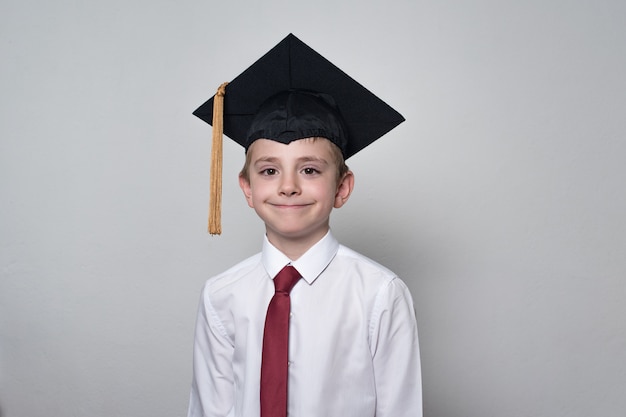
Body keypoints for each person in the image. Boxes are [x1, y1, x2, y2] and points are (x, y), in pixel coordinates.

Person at [187, 33, 422, 417]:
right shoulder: (220, 295)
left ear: (342, 188)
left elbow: (400, 409)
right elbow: (211, 409)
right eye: (269, 170)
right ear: (247, 188)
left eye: (310, 169)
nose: (289, 186)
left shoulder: (380, 294)